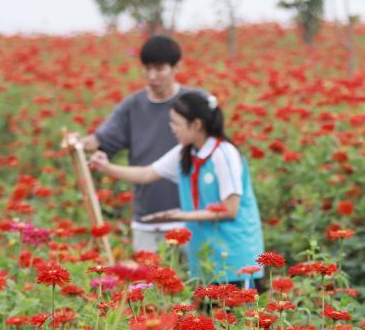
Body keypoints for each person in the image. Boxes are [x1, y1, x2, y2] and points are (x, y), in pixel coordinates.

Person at [90, 90, 265, 288]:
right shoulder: (186, 152)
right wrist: (106, 167)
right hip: (205, 258)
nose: (172, 129)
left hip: (235, 259)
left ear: (196, 125)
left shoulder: (224, 153)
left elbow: (230, 209)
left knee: (237, 316)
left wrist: (181, 215)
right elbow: (147, 174)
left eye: (176, 123)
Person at [68, 35, 197, 253]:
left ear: (176, 67)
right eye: (146, 69)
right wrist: (77, 142)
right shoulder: (133, 106)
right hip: (146, 220)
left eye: (159, 69)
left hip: (190, 218)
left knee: (195, 285)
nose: (151, 76)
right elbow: (101, 139)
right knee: (146, 284)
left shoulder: (194, 102)